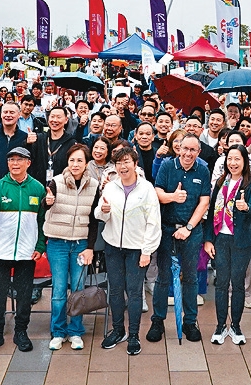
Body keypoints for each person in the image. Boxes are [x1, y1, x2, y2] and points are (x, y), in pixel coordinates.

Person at [0, 147, 47, 355]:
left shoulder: (37, 188)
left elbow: (42, 220)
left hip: (26, 253)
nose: (15, 163)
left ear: (29, 163)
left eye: (20, 160)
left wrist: (40, 246)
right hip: (0, 252)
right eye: (11, 160)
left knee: (25, 295)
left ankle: (21, 331)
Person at [96, 147, 161, 355]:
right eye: (118, 163)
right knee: (115, 290)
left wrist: (147, 251)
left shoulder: (147, 189)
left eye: (126, 162)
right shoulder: (111, 187)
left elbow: (153, 222)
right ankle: (118, 330)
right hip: (113, 246)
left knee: (134, 292)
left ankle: (133, 334)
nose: (122, 167)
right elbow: (100, 213)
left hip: (136, 249)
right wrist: (103, 211)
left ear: (135, 164)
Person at [147, 135, 211, 343]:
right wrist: (172, 197)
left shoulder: (202, 170)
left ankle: (190, 322)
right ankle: (158, 321)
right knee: (163, 277)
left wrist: (189, 227)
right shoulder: (167, 166)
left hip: (191, 231)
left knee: (191, 277)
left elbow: (204, 202)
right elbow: (157, 192)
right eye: (184, 148)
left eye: (193, 150)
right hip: (167, 230)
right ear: (178, 148)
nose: (188, 153)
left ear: (198, 152)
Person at [43, 144, 101, 351]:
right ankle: (58, 331)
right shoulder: (56, 182)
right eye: (72, 160)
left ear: (86, 164)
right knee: (58, 290)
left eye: (80, 161)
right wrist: (47, 202)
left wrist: (90, 247)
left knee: (78, 290)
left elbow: (94, 220)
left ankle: (75, 332)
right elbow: (45, 205)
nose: (75, 164)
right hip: (57, 243)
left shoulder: (94, 185)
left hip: (81, 245)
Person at [203, 145, 251, 345]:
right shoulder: (220, 182)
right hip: (220, 238)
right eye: (230, 159)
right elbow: (210, 213)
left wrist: (247, 207)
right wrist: (208, 239)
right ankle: (220, 326)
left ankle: (235, 325)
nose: (233, 163)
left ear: (244, 162)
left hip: (241, 240)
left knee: (237, 284)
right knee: (221, 283)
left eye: (237, 159)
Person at [0, 102, 37, 179]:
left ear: (19, 114)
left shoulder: (24, 137)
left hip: (15, 183)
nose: (8, 115)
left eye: (12, 112)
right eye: (5, 112)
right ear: (1, 114)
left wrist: (30, 145)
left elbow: (30, 163)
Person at [32, 106, 76, 184]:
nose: (54, 120)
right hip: (39, 186)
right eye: (52, 117)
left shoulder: (71, 143)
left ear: (66, 120)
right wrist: (27, 143)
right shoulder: (39, 138)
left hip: (61, 187)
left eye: (58, 117)